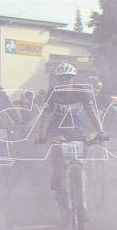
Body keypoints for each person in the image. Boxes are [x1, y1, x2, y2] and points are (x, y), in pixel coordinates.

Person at [36, 63, 104, 203]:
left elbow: (91, 113)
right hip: (57, 129)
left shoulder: (81, 92)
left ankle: (82, 201)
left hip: (76, 130)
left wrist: (100, 131)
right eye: (61, 79)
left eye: (68, 78)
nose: (65, 82)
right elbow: (46, 116)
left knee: (81, 164)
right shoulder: (52, 92)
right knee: (57, 149)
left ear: (73, 78)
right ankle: (56, 174)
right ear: (57, 80)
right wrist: (42, 135)